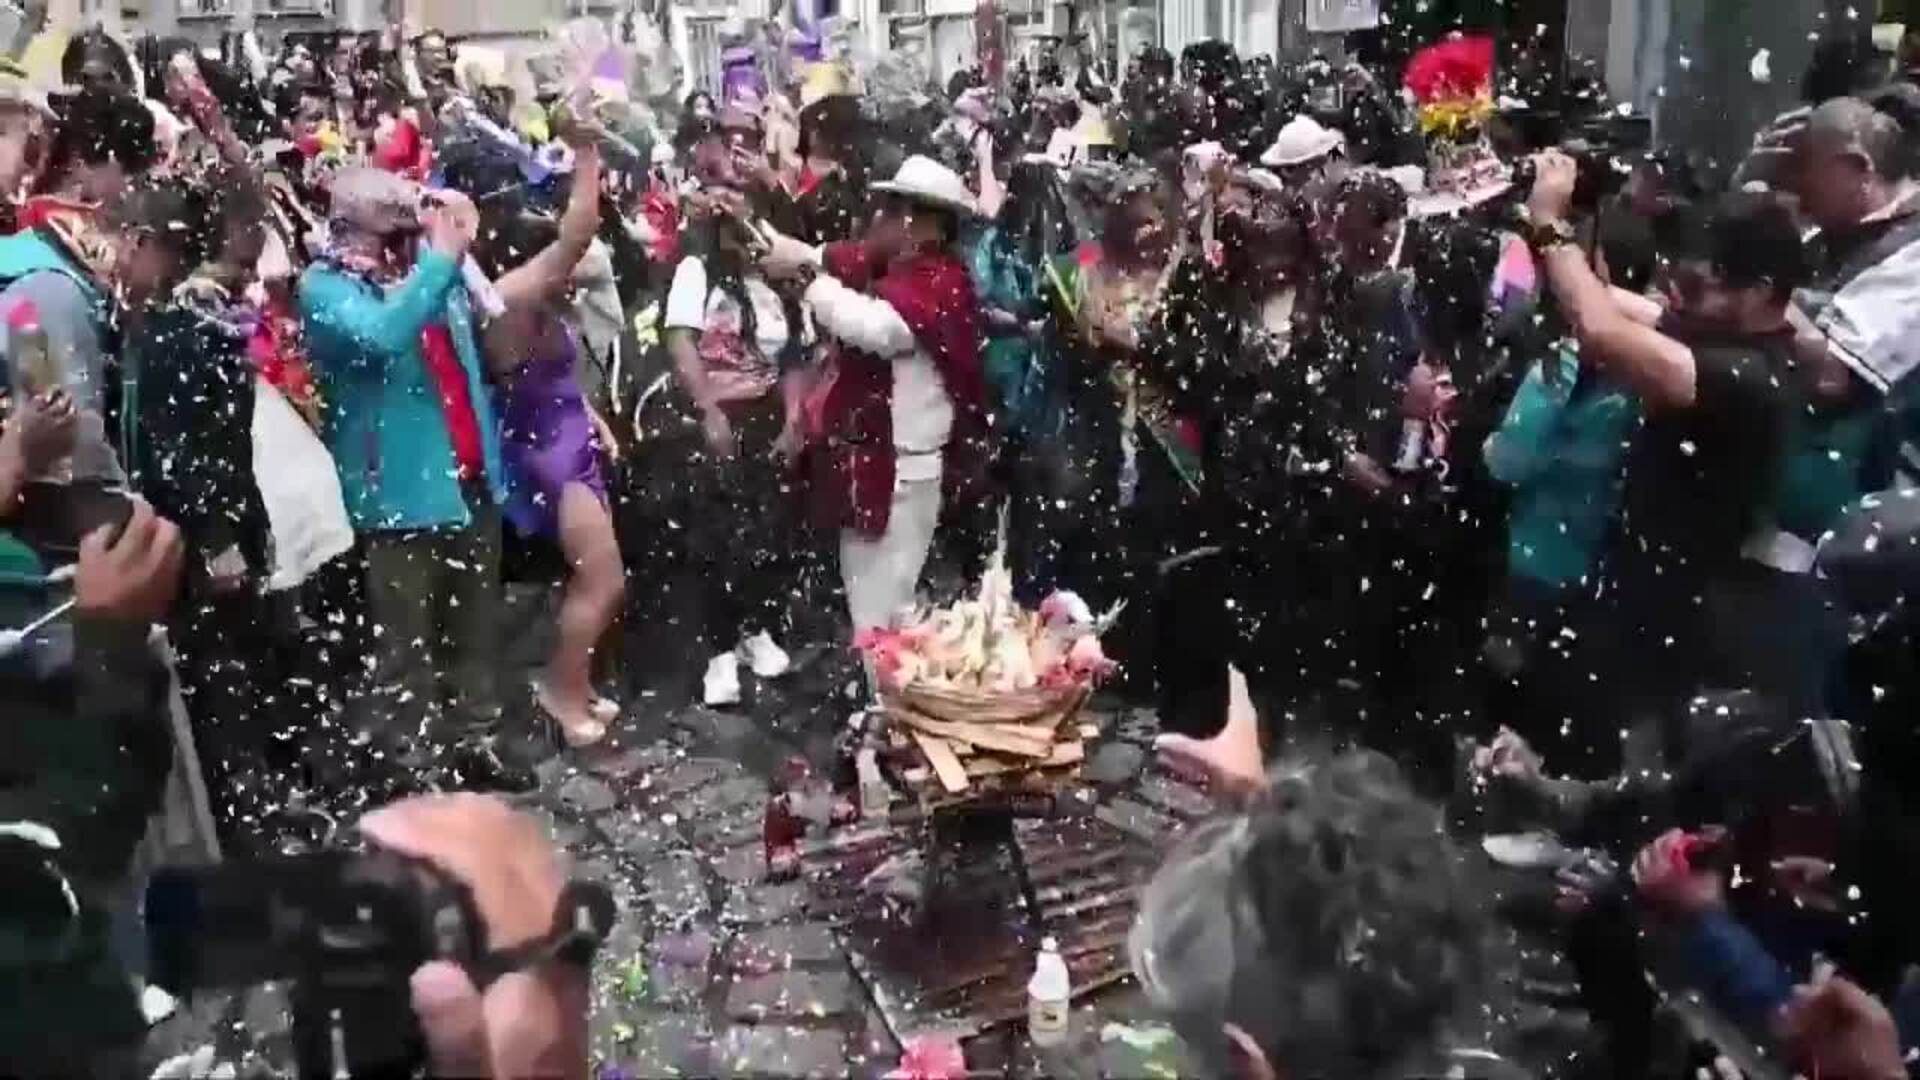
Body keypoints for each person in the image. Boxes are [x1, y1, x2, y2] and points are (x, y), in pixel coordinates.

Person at [1525, 151, 1810, 772]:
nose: (1683, 296)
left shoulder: (1750, 374)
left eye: (1705, 285)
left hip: (1683, 609)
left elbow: (1602, 332)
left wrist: (1548, 225)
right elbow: (1599, 300)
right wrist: (1569, 221)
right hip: (1643, 583)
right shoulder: (1726, 335)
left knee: (1634, 759)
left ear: (1761, 291)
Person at [300, 166, 529, 791]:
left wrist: (465, 259)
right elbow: (382, 336)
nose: (408, 222)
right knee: (405, 649)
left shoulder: (431, 266)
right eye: (393, 217)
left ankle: (476, 741)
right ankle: (414, 768)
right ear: (350, 223)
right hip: (397, 494)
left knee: (475, 629)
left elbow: (492, 345)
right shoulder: (325, 286)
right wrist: (440, 261)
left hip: (468, 479)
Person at [114, 177, 280, 851]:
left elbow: (199, 451)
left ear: (151, 245)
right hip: (191, 537)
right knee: (218, 682)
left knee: (222, 686)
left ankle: (249, 827)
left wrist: (217, 542)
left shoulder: (181, 333)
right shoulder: (158, 326)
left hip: (205, 544)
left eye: (124, 240)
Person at [759, 155, 987, 641]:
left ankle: (887, 686)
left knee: (877, 612)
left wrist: (808, 281)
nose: (877, 218)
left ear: (914, 221)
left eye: (890, 208)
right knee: (886, 603)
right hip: (884, 462)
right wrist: (758, 234)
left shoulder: (937, 282)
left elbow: (876, 329)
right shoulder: (907, 268)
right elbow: (821, 256)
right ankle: (895, 681)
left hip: (901, 470)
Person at [477, 123, 625, 747]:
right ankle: (561, 693)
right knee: (603, 579)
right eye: (560, 271)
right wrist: (586, 153)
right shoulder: (507, 299)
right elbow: (578, 233)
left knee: (592, 577)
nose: (571, 281)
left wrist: (593, 419)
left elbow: (556, 379)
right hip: (546, 456)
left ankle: (578, 683)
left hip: (571, 440)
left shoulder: (535, 299)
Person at [663, 149, 809, 707]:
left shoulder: (776, 279)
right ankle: (720, 650)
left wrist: (793, 419)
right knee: (716, 535)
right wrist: (709, 410)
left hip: (766, 412)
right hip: (715, 413)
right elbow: (681, 340)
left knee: (766, 531)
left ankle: (756, 630)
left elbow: (793, 356)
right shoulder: (697, 271)